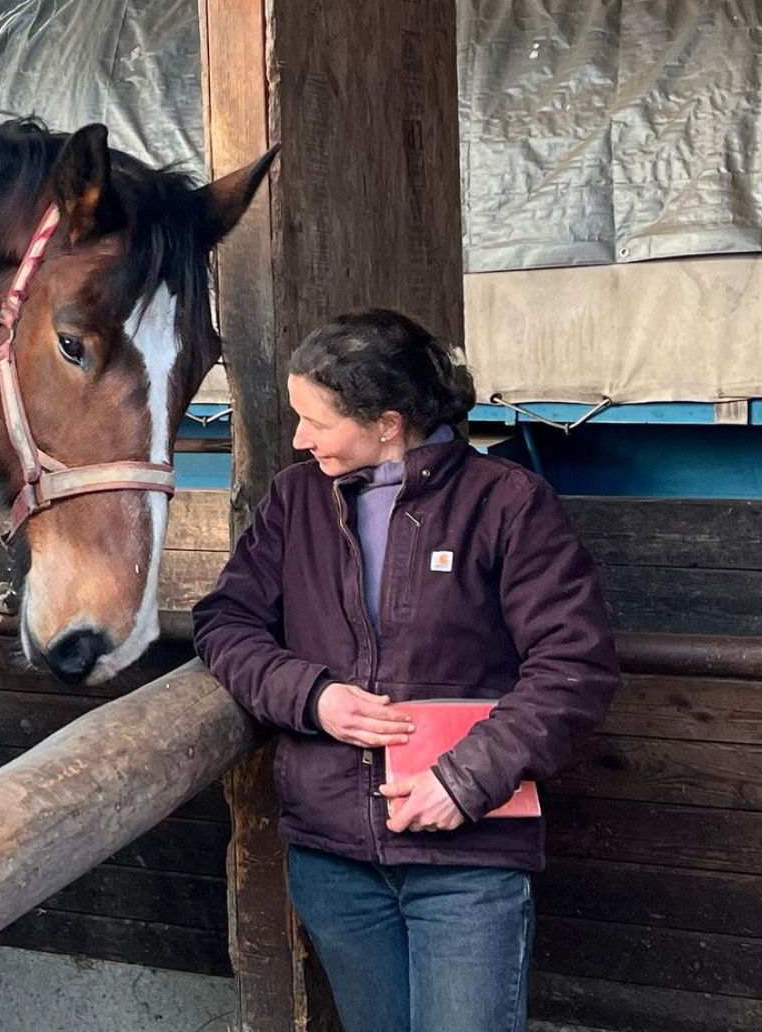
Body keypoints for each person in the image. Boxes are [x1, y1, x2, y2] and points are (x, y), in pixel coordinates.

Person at [192, 309, 619, 1032]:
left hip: (466, 859)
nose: (299, 440)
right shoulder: (294, 501)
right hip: (333, 857)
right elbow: (224, 623)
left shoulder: (508, 503)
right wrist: (312, 697)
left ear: (387, 423)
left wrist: (463, 780)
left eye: (316, 421)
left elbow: (573, 664)